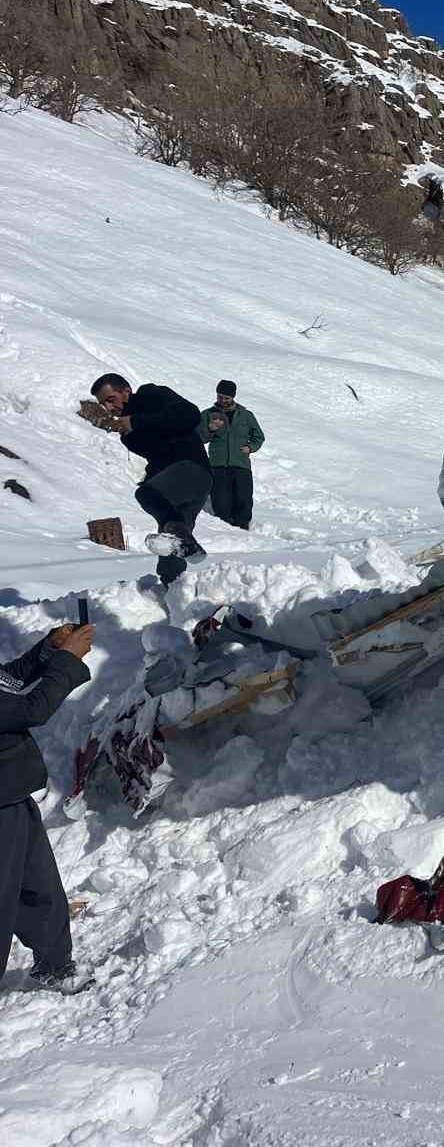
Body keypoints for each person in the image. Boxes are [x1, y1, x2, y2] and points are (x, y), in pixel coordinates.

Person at [1, 622, 95, 993]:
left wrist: (48, 651)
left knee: (38, 884)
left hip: (11, 796)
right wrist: (68, 661)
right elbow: (29, 709)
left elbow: (7, 682)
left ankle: (54, 964)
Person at [90, 374, 210, 589]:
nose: (109, 408)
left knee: (147, 495)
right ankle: (173, 593)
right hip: (177, 482)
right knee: (170, 544)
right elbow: (158, 455)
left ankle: (184, 543)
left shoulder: (151, 395)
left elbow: (190, 415)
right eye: (103, 404)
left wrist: (137, 421)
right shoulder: (128, 434)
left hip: (192, 470)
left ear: (126, 390)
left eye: (111, 399)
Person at [200, 380, 265, 531]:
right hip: (218, 465)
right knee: (221, 501)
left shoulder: (246, 415)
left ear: (233, 397)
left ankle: (243, 529)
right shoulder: (208, 414)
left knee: (244, 499)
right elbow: (200, 438)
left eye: (226, 398)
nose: (222, 400)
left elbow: (259, 437)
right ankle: (226, 530)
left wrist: (250, 447)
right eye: (220, 397)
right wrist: (210, 429)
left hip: (240, 464)